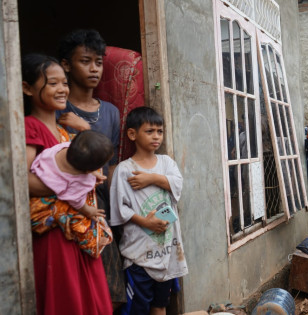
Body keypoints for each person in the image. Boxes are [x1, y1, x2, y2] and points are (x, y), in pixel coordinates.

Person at [23, 53, 112, 315]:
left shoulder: (64, 132)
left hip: (78, 231)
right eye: (52, 83)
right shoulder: (31, 128)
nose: (62, 89)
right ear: (27, 88)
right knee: (66, 299)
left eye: (64, 82)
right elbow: (24, 181)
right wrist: (71, 184)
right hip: (55, 234)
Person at [56, 28, 125, 309]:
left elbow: (112, 164)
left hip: (102, 205)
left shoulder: (110, 112)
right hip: (67, 205)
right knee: (74, 288)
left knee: (110, 288)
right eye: (85, 61)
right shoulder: (58, 108)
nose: (94, 68)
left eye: (98, 61)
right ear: (66, 65)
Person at [109, 107, 188, 315]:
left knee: (161, 304)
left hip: (167, 253)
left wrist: (151, 178)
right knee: (137, 308)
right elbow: (119, 209)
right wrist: (146, 223)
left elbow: (177, 184)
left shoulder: (166, 163)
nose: (156, 136)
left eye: (159, 131)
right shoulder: (124, 170)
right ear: (132, 134)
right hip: (140, 256)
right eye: (150, 131)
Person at [29, 130, 114, 257]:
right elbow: (75, 200)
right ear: (88, 170)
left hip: (40, 169)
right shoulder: (79, 182)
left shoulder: (63, 148)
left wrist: (91, 173)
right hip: (50, 202)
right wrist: (88, 210)